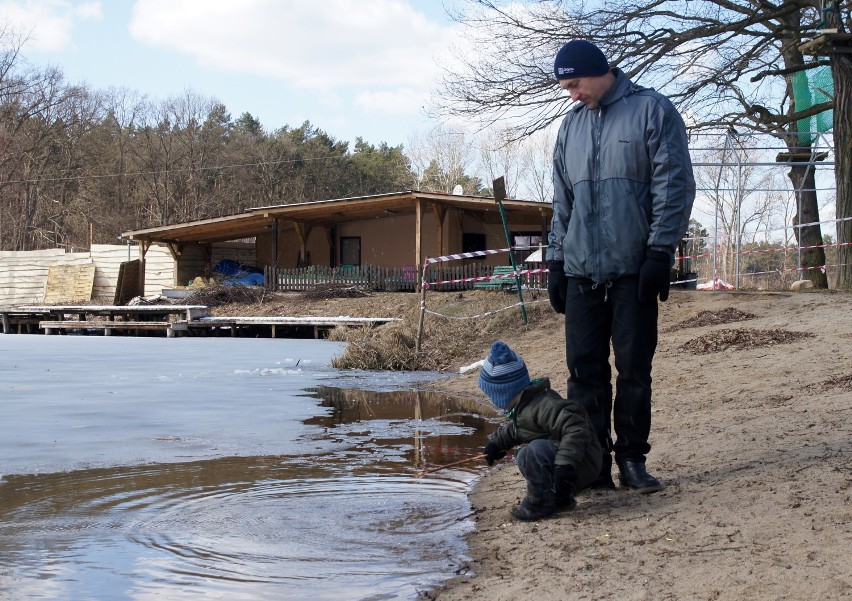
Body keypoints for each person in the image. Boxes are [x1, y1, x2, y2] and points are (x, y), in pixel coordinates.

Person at [546, 40, 695, 493]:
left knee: (633, 369)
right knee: (583, 373)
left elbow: (674, 186)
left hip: (634, 269)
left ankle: (632, 460)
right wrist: (556, 260)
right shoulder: (569, 129)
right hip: (580, 274)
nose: (571, 93)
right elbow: (562, 203)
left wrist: (659, 253)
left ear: (599, 71)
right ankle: (594, 467)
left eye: (575, 83)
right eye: (564, 87)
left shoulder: (652, 110)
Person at [478, 341, 602, 521]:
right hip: (570, 462)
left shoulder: (543, 405)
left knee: (532, 452)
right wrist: (496, 443)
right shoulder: (526, 405)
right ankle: (559, 499)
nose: (490, 399)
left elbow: (576, 428)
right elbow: (518, 430)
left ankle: (540, 505)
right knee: (524, 456)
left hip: (581, 461)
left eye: (490, 395)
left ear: (503, 392)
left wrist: (564, 465)